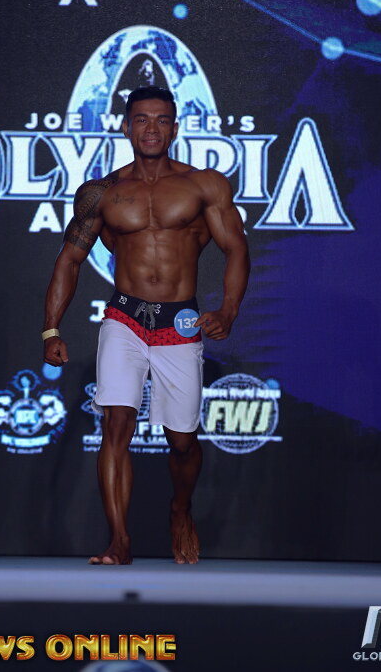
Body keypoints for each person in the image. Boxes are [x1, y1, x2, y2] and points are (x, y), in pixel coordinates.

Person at [42, 86, 250, 565]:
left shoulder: (204, 186)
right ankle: (119, 540)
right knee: (116, 423)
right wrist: (51, 328)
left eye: (160, 120)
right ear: (126, 127)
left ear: (174, 129)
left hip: (180, 322)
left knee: (183, 442)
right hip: (124, 317)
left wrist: (228, 310)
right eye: (141, 119)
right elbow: (69, 260)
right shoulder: (101, 193)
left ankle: (180, 508)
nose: (151, 128)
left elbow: (236, 248)